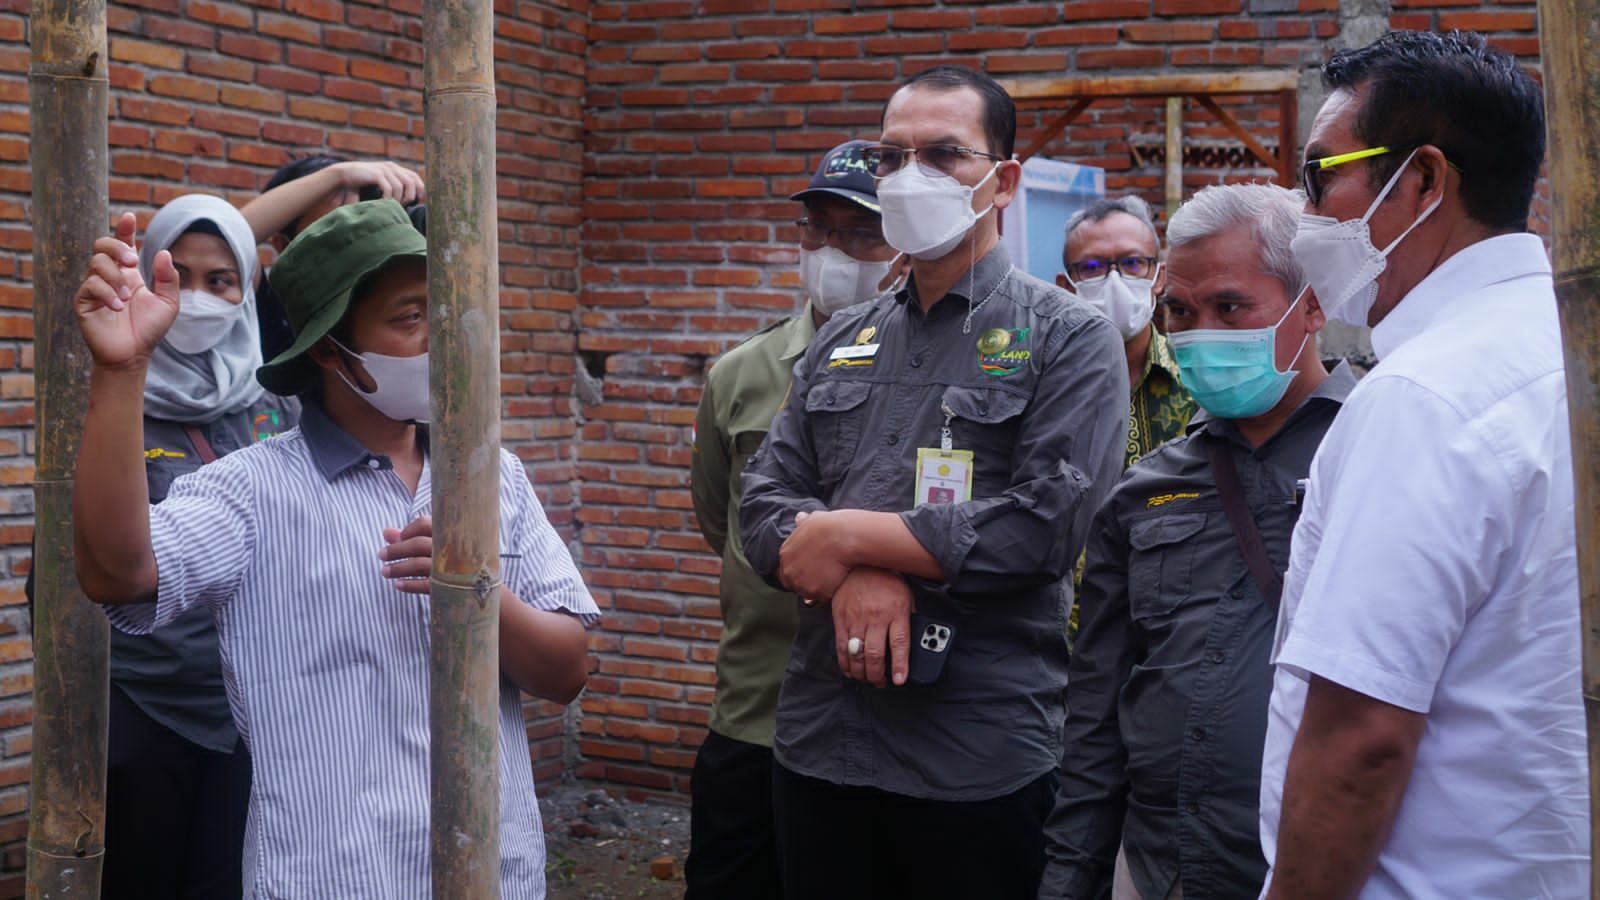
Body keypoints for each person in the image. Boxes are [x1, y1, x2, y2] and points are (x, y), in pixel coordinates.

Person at [70, 199, 597, 899]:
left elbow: (567, 671)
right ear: (327, 349)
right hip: (328, 877)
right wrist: (121, 371)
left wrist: (479, 594)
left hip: (494, 873)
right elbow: (117, 573)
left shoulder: (492, 476)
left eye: (445, 312)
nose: (442, 336)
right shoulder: (251, 491)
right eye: (410, 318)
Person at [739, 66, 1128, 900]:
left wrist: (848, 536)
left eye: (944, 154)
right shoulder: (841, 337)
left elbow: (1050, 523)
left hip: (975, 757)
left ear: (1004, 181)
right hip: (822, 743)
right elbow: (762, 503)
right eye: (893, 157)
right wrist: (864, 568)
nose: (910, 177)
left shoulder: (1067, 337)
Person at [1259, 30, 1588, 898]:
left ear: (1423, 181)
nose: (1306, 212)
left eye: (1320, 176)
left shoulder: (1426, 397)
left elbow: (1362, 734)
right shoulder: (1562, 356)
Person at [1038, 184, 1353, 900]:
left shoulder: (1373, 454)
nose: (1200, 332)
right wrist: (1069, 877)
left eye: (1230, 307)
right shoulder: (1144, 489)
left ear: (1311, 305)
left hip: (1321, 865)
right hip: (1164, 866)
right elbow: (1095, 716)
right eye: (1179, 311)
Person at [52, 195, 298, 899]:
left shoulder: (277, 401)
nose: (196, 297)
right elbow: (84, 566)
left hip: (252, 705)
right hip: (144, 703)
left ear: (248, 288)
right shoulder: (112, 394)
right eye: (177, 275)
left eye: (220, 280)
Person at [686, 139, 897, 900]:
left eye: (861, 233)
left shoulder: (940, 369)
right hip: (759, 711)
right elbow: (723, 522)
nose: (834, 252)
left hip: (889, 718)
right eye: (819, 228)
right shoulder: (742, 373)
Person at [239, 155, 425, 359]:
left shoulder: (405, 289)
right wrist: (338, 175)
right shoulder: (271, 308)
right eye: (333, 228)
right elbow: (226, 237)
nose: (357, 240)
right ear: (283, 245)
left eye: (367, 225)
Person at [1058, 196, 1196, 469]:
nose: (1115, 281)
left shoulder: (1196, 375)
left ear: (1158, 278)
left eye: (1132, 263)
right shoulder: (1048, 382)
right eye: (1091, 267)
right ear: (1067, 287)